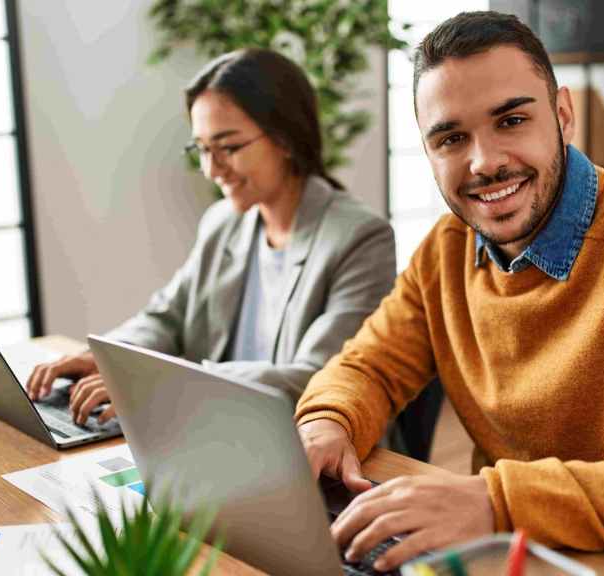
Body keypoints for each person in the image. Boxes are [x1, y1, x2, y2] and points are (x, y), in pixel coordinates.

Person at [295, 11, 604, 572]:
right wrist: (327, 419)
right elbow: (369, 366)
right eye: (452, 138)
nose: (484, 162)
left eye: (511, 121)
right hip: (505, 553)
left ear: (563, 114)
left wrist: (498, 503)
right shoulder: (447, 247)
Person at [27, 49, 396, 424]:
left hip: (309, 444)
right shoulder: (223, 222)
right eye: (202, 149)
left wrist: (168, 383)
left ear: (286, 138)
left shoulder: (360, 237)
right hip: (218, 429)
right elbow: (167, 317)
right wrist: (107, 358)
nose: (211, 169)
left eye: (228, 147)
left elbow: (318, 377)